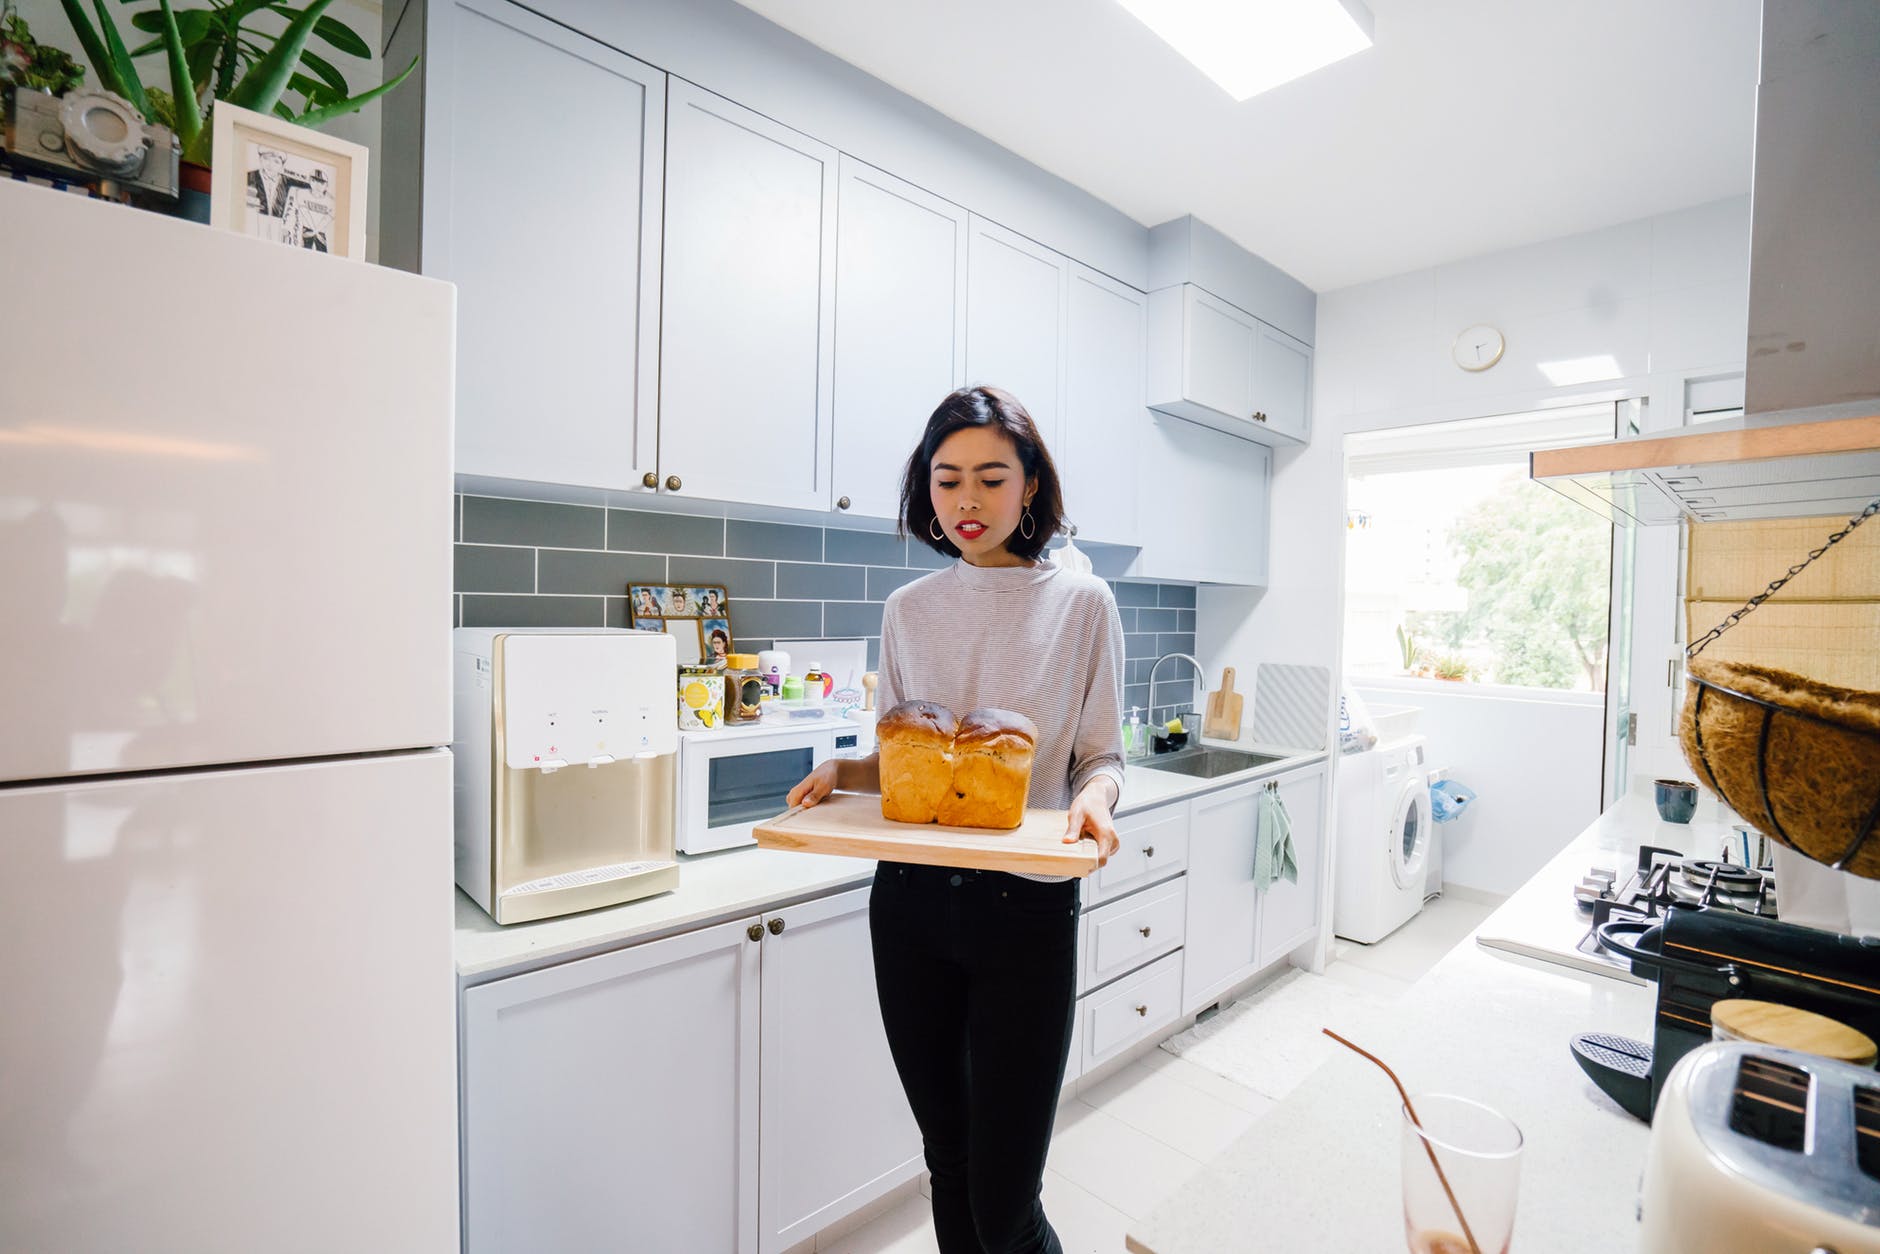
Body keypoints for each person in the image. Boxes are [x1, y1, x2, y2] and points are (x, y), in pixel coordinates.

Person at [786, 385, 1123, 1254]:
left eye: (989, 477)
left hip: (1027, 910)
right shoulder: (908, 609)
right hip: (909, 907)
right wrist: (844, 768)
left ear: (1031, 484)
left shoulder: (1083, 606)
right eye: (946, 481)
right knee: (950, 1162)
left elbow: (1099, 756)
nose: (966, 502)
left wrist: (1093, 799)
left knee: (1007, 1203)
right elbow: (914, 762)